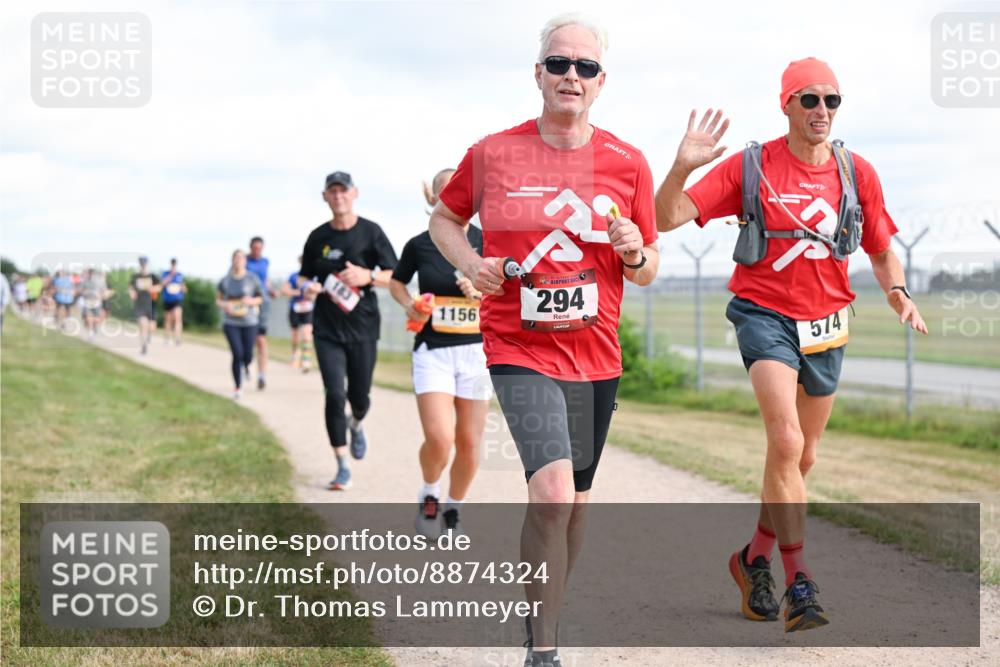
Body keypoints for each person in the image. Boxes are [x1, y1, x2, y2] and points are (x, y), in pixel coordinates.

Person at [654, 57, 928, 633]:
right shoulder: (751, 166)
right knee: (784, 438)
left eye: (832, 100)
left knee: (801, 459)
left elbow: (879, 249)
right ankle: (799, 583)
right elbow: (667, 216)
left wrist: (898, 291)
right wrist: (680, 168)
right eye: (810, 99)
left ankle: (752, 558)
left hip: (828, 322)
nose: (822, 111)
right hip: (764, 315)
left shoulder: (858, 173)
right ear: (786, 104)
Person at [428, 14, 659, 666]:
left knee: (576, 503)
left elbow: (648, 269)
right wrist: (469, 263)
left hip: (595, 355)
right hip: (517, 345)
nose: (571, 76)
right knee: (552, 493)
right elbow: (446, 217)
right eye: (559, 64)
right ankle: (545, 647)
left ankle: (544, 603)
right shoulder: (495, 152)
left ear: (600, 81)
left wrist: (637, 249)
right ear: (538, 74)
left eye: (584, 67)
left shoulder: (626, 162)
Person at [390, 169, 491, 538]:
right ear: (433, 200)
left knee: (469, 441)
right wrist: (409, 304)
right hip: (433, 351)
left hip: (477, 353)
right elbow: (398, 282)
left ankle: (454, 508)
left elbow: (509, 292)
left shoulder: (487, 240)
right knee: (440, 438)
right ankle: (430, 492)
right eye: (445, 193)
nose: (455, 198)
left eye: (462, 190)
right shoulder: (419, 244)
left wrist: (482, 294)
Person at [300, 171, 398, 491]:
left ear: (354, 193)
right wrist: (310, 287)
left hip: (363, 329)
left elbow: (394, 275)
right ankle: (342, 465)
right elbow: (302, 277)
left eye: (344, 190)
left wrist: (367, 276)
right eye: (333, 191)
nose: (339, 196)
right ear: (325, 197)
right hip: (327, 329)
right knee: (334, 394)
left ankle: (357, 424)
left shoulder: (371, 233)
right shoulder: (317, 237)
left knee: (359, 397)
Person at [216, 249, 264, 399]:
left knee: (248, 354)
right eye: (236, 258)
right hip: (231, 322)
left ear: (245, 261)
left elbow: (260, 298)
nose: (238, 260)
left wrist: (250, 301)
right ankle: (237, 387)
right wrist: (225, 305)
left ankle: (247, 365)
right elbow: (218, 299)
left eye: (241, 258)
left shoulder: (252, 279)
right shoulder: (225, 280)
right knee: (237, 353)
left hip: (249, 321)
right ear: (232, 260)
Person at [246, 237, 277, 389]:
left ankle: (261, 375)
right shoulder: (244, 261)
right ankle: (247, 363)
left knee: (261, 339)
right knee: (249, 339)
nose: (257, 251)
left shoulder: (265, 262)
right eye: (255, 248)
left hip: (263, 303)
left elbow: (265, 280)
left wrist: (270, 290)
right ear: (250, 248)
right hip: (247, 305)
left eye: (260, 248)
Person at [282, 256, 315, 373]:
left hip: (308, 308)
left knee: (307, 334)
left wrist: (311, 294)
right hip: (295, 308)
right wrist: (298, 292)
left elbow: (316, 292)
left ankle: (306, 360)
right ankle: (295, 353)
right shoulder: (293, 276)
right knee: (296, 336)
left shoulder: (312, 276)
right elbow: (284, 290)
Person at [128, 256, 160, 355]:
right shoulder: (135, 277)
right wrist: (132, 293)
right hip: (140, 304)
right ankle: (144, 346)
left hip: (151, 304)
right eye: (141, 264)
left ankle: (148, 335)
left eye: (144, 264)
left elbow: (159, 287)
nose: (143, 266)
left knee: (151, 327)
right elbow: (130, 288)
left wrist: (153, 289)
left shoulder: (152, 276)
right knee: (142, 324)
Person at [160, 258, 187, 346]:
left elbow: (184, 288)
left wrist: (183, 288)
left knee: (177, 318)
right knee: (168, 320)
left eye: (175, 264)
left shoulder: (180, 275)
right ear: (170, 264)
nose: (173, 266)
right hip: (168, 299)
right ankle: (167, 337)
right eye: (172, 264)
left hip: (177, 299)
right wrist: (171, 276)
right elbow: (162, 284)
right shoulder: (165, 274)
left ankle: (178, 338)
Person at [79, 268, 104, 339]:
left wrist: (101, 296)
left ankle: (94, 327)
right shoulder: (85, 281)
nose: (91, 275)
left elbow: (104, 291)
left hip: (96, 302)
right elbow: (80, 290)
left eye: (92, 273)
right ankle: (90, 333)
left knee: (96, 319)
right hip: (87, 301)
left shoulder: (100, 282)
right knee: (88, 317)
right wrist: (83, 292)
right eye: (89, 273)